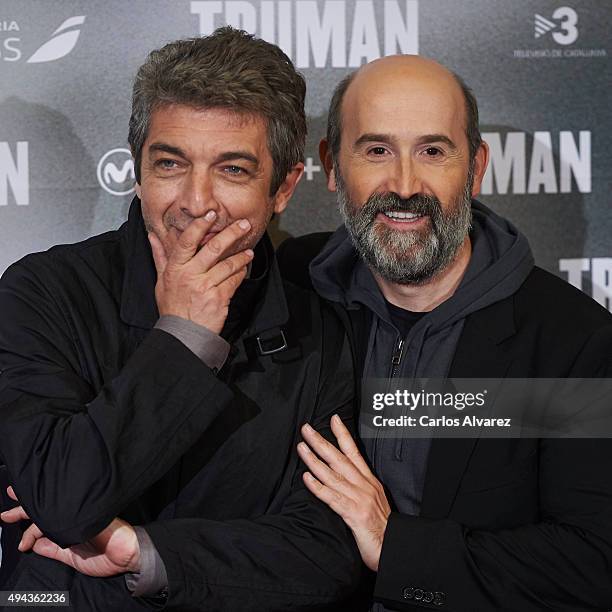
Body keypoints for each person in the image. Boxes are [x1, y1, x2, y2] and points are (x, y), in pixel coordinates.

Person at [0, 27, 362, 611]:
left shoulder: (321, 328)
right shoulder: (43, 293)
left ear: (284, 188)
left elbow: (325, 551)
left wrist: (141, 550)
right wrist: (184, 338)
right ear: (138, 170)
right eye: (170, 163)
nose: (197, 201)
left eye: (233, 170)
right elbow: (62, 500)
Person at [279, 55, 612, 611]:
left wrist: (396, 548)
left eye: (433, 151)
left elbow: (595, 562)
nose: (405, 186)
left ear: (475, 167)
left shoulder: (574, 343)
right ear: (332, 164)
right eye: (376, 150)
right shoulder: (291, 291)